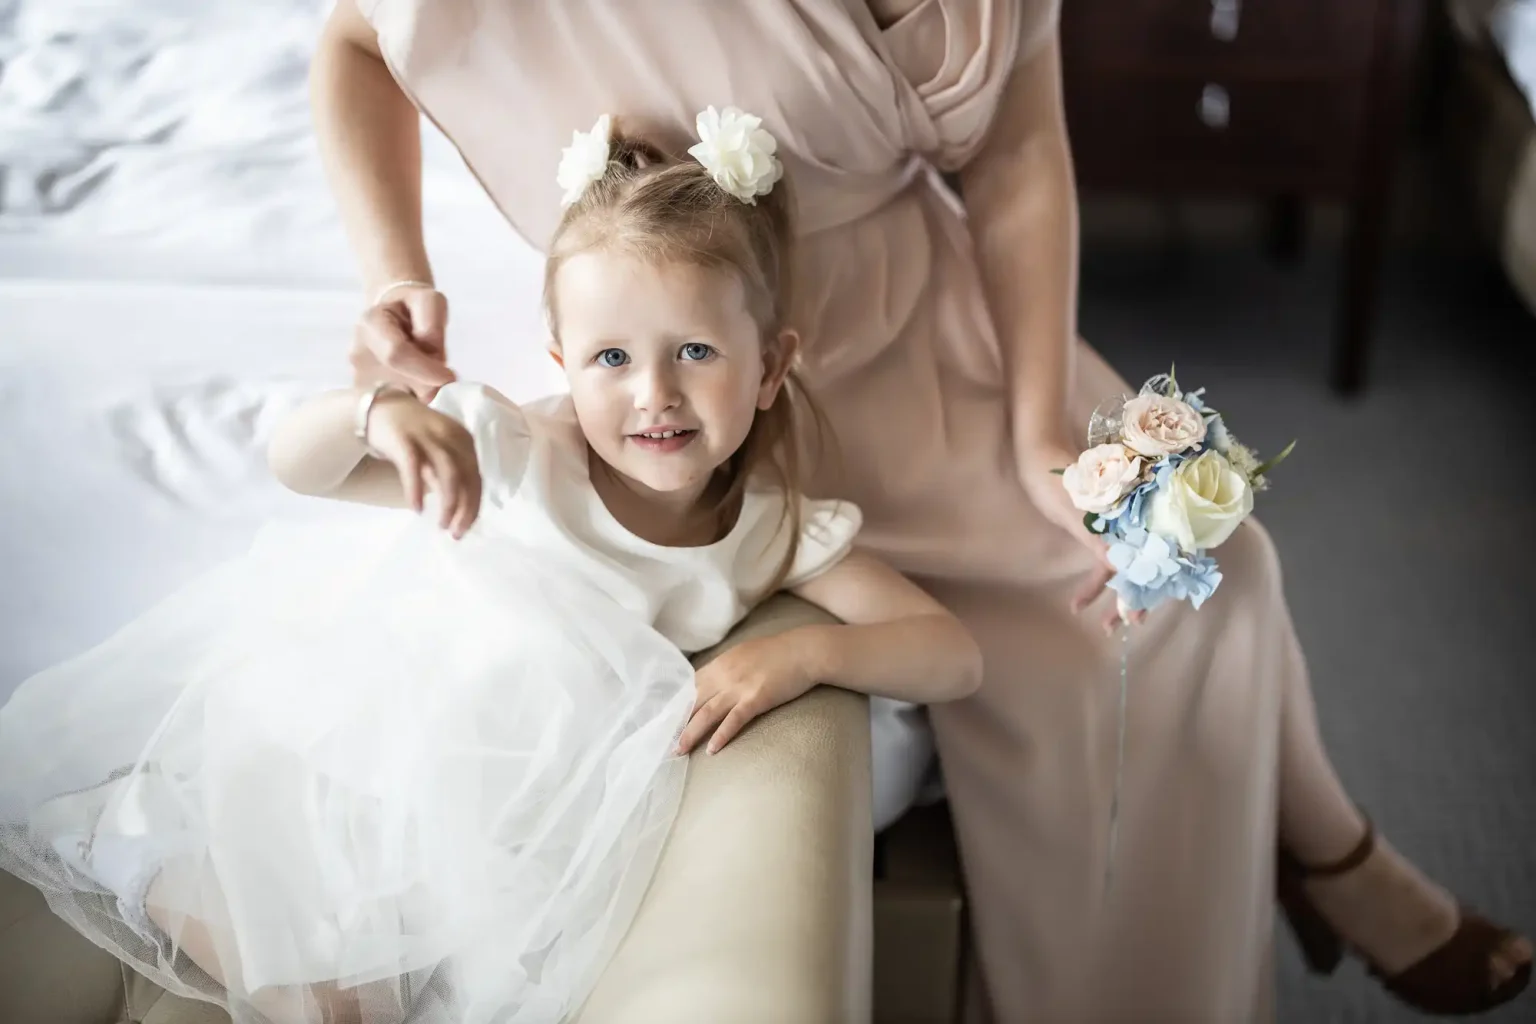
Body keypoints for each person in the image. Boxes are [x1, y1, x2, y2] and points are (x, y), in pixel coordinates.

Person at [308, 1, 1535, 1019]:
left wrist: (1041, 426)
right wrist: (395, 275)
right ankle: (1334, 864)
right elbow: (361, 39)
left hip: (942, 319)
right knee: (1146, 623)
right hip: (725, 376)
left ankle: (1326, 857)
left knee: (1225, 565)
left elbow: (1017, 160)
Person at [0, 115, 983, 1024]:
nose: (655, 395)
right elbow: (298, 467)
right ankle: (128, 851)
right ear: (561, 358)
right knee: (319, 989)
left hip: (525, 818)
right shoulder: (519, 451)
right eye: (610, 358)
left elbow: (951, 655)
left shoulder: (771, 530)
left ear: (770, 366)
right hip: (390, 750)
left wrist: (804, 655)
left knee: (390, 998)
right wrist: (374, 412)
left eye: (695, 350)